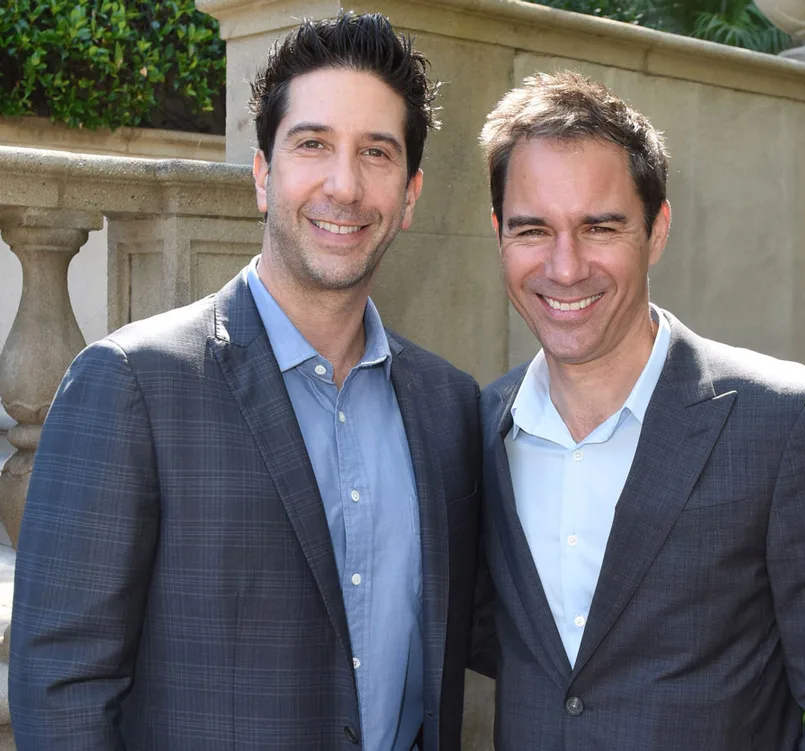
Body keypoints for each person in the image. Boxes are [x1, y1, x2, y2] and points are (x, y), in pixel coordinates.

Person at [9, 13, 481, 751]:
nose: (345, 184)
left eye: (377, 153)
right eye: (313, 144)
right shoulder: (133, 386)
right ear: (264, 175)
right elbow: (62, 689)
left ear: (411, 195)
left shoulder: (448, 406)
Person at [472, 70, 805, 750]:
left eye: (599, 226)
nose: (565, 265)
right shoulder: (479, 429)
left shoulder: (789, 426)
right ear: (499, 233)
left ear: (657, 229)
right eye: (532, 230)